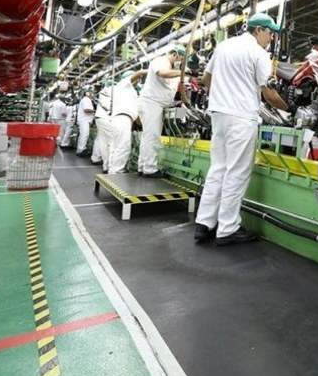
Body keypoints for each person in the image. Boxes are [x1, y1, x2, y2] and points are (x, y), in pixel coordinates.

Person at [195, 14, 287, 246]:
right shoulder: (258, 53)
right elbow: (268, 93)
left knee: (218, 168)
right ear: (258, 30)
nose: (271, 38)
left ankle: (204, 223)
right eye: (270, 33)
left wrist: (222, 95)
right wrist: (290, 110)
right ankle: (227, 228)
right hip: (242, 117)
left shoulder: (224, 46)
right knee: (237, 172)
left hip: (219, 115)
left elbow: (206, 79)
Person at [137, 45, 186, 178]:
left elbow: (175, 90)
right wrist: (183, 72)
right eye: (181, 59)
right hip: (151, 103)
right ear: (175, 54)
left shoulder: (173, 70)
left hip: (158, 105)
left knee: (148, 137)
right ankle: (150, 169)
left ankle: (142, 166)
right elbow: (162, 73)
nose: (180, 62)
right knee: (152, 136)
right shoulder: (161, 61)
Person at [106, 70, 146, 174]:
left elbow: (135, 112)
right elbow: (138, 73)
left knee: (115, 147)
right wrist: (148, 71)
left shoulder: (129, 91)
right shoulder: (123, 84)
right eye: (138, 79)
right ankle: (117, 172)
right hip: (122, 119)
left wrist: (142, 125)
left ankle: (112, 171)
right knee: (123, 146)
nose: (139, 81)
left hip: (120, 120)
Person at [92, 79, 113, 170]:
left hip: (99, 118)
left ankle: (101, 161)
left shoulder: (103, 91)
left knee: (101, 140)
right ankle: (109, 165)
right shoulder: (111, 90)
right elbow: (108, 107)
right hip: (105, 118)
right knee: (110, 142)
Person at [75, 90, 95, 157]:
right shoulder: (86, 99)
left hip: (84, 120)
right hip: (84, 120)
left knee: (83, 135)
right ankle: (81, 150)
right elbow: (86, 110)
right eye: (91, 92)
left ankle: (81, 149)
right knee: (84, 135)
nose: (92, 94)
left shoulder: (86, 100)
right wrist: (96, 111)